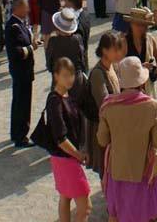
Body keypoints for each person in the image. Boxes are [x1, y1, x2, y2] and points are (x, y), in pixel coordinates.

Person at [98, 56, 157, 222]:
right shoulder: (152, 106)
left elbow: (102, 139)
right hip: (144, 171)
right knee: (150, 215)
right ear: (142, 82)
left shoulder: (108, 106)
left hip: (117, 170)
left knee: (117, 215)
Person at [46, 57, 92, 222]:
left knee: (65, 196)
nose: (69, 78)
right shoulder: (55, 101)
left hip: (62, 157)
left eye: (71, 74)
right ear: (56, 76)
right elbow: (60, 138)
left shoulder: (66, 95)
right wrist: (79, 154)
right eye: (65, 75)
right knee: (85, 206)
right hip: (66, 157)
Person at [85, 32, 123, 177]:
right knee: (105, 168)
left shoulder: (113, 66)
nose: (118, 53)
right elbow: (104, 103)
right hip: (102, 127)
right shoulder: (97, 74)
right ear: (105, 50)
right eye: (115, 49)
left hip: (113, 124)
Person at [6, 0, 34, 147]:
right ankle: (21, 136)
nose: (28, 9)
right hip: (21, 71)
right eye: (25, 7)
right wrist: (31, 48)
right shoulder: (13, 26)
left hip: (23, 71)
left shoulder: (19, 23)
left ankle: (16, 132)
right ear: (18, 8)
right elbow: (16, 52)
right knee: (22, 104)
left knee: (19, 102)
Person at [125, 8, 157, 97]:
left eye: (144, 25)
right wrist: (140, 67)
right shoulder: (123, 42)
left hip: (148, 88)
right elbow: (118, 67)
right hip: (130, 90)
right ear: (131, 24)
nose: (141, 28)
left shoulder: (150, 39)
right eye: (138, 24)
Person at [46, 8, 86, 76]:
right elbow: (82, 61)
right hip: (76, 78)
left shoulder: (52, 41)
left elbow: (49, 64)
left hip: (59, 80)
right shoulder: (78, 39)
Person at [66, 0, 92, 71]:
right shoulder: (86, 14)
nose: (64, 4)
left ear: (71, 3)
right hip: (83, 60)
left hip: (77, 65)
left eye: (66, 1)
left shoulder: (74, 22)